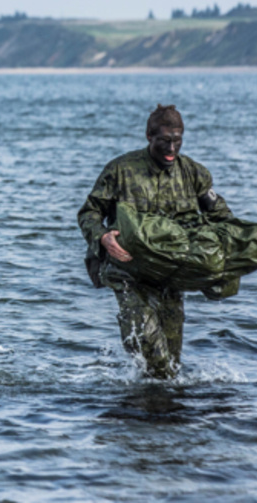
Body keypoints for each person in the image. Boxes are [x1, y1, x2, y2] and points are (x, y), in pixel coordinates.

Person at [77, 105, 233, 378]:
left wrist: (223, 262)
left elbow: (222, 218)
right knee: (154, 356)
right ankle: (137, 409)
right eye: (164, 141)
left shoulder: (193, 174)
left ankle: (157, 411)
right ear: (149, 136)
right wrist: (103, 237)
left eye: (177, 141)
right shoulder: (121, 170)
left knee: (170, 367)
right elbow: (89, 212)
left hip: (171, 277)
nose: (172, 148)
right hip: (128, 273)